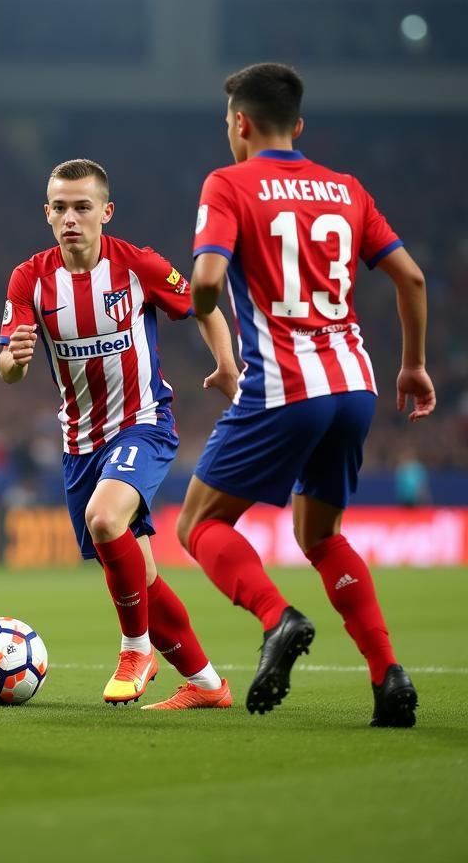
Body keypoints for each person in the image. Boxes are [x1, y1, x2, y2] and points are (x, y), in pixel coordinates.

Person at [177, 62, 435, 727]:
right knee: (320, 535)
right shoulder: (346, 189)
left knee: (198, 523)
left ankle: (277, 618)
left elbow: (205, 278)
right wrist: (413, 365)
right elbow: (411, 279)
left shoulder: (228, 182)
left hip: (286, 384)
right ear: (298, 125)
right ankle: (388, 677)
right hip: (356, 383)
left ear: (239, 122)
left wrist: (209, 310)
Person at [0, 158, 237, 709]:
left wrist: (225, 363)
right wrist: (14, 358)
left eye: (82, 207)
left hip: (143, 425)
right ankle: (207, 685)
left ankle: (136, 650)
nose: (70, 218)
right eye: (60, 207)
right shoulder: (29, 278)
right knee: (144, 575)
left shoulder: (137, 265)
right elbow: (8, 370)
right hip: (80, 444)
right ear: (47, 214)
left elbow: (203, 305)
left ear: (105, 211)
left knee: (104, 519)